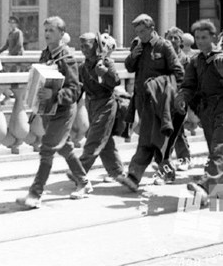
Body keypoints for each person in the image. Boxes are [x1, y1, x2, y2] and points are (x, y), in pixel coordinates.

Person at [16, 16, 90, 207]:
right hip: (47, 110)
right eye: (46, 30)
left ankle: (35, 193)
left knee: (47, 148)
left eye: (51, 30)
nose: (47, 34)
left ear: (61, 34)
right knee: (65, 147)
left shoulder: (67, 58)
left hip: (63, 111)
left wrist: (55, 93)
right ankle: (83, 181)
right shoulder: (45, 55)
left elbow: (75, 89)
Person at [175, 19, 223, 205]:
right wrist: (182, 95)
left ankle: (205, 186)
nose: (200, 41)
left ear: (213, 37)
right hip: (206, 110)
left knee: (219, 148)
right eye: (197, 37)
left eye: (204, 37)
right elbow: (189, 85)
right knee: (222, 148)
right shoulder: (196, 61)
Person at [117, 14, 184, 192]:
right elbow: (130, 67)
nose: (139, 35)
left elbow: (178, 72)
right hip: (141, 100)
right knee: (153, 137)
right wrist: (133, 55)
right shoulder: (137, 45)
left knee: (149, 138)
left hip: (160, 101)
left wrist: (168, 90)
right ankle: (166, 172)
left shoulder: (164, 45)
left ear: (151, 29)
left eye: (142, 31)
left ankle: (134, 176)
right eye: (137, 32)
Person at [76, 32, 125, 183]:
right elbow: (79, 89)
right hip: (91, 105)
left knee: (94, 138)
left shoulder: (105, 62)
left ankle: (79, 171)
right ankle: (117, 171)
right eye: (82, 46)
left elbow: (115, 81)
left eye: (87, 45)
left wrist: (104, 74)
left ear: (96, 46)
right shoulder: (83, 67)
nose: (83, 49)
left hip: (106, 103)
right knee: (105, 139)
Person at [154, 27, 192, 184]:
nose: (173, 40)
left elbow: (190, 81)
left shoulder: (186, 60)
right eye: (170, 37)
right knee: (173, 132)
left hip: (179, 99)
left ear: (181, 42)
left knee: (172, 134)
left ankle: (175, 162)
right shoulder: (161, 57)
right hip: (164, 100)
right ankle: (176, 161)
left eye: (176, 38)